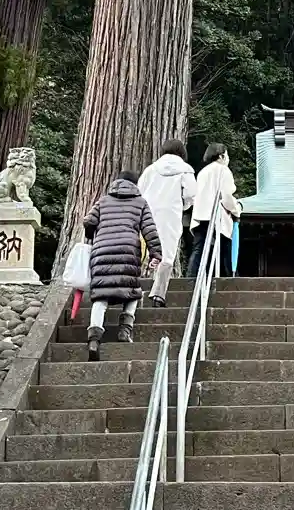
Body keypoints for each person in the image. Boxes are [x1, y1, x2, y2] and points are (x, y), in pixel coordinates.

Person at [82, 171, 161, 361]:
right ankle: (125, 330)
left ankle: (94, 338)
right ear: (135, 184)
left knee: (101, 295)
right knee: (133, 291)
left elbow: (89, 221)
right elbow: (149, 229)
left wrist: (93, 234)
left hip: (102, 250)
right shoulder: (140, 202)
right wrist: (156, 253)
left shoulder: (103, 201)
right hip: (127, 250)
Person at [137, 138, 197, 306]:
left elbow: (139, 191)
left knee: (146, 248)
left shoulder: (150, 169)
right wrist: (184, 205)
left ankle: (135, 288)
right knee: (168, 253)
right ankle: (158, 293)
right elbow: (191, 193)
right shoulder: (185, 170)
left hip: (149, 213)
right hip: (171, 213)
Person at [187, 142, 241, 281]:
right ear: (221, 156)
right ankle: (229, 280)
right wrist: (236, 209)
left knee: (199, 249)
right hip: (217, 216)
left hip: (201, 215)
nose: (228, 159)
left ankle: (190, 279)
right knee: (225, 248)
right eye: (227, 155)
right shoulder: (223, 170)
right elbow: (226, 196)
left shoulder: (202, 172)